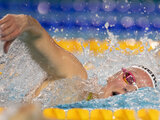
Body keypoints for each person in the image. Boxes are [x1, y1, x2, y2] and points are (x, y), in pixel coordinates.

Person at [0, 14, 157, 101]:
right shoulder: (74, 80)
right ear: (111, 76)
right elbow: (43, 42)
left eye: (137, 93)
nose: (128, 89)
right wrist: (27, 23)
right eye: (129, 78)